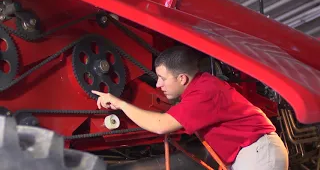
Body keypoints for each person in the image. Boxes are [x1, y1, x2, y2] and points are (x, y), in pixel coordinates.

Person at [91, 46, 289, 170]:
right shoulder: (200, 87)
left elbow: (161, 124)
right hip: (251, 154)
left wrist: (121, 103)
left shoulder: (203, 93)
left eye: (162, 78)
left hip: (258, 154)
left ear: (182, 78)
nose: (158, 85)